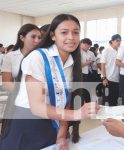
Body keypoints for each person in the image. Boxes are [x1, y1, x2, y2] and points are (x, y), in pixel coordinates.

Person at [0, 14, 100, 150]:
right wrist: (77, 114)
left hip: (55, 120)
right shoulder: (37, 57)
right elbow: (36, 106)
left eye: (75, 32)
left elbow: (66, 99)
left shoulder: (71, 61)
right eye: (64, 32)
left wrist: (63, 130)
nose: (71, 37)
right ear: (53, 36)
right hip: (28, 122)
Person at [1, 24, 41, 92]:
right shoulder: (10, 56)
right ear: (22, 38)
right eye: (33, 37)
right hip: (18, 97)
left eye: (39, 37)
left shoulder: (41, 56)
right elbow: (6, 84)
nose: (37, 40)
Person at [100, 34, 121, 106]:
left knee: (114, 100)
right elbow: (102, 64)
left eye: (120, 41)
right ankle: (104, 116)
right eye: (117, 41)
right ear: (112, 41)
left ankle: (113, 116)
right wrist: (104, 78)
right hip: (108, 79)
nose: (118, 42)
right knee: (106, 100)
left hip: (116, 79)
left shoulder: (119, 51)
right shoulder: (106, 50)